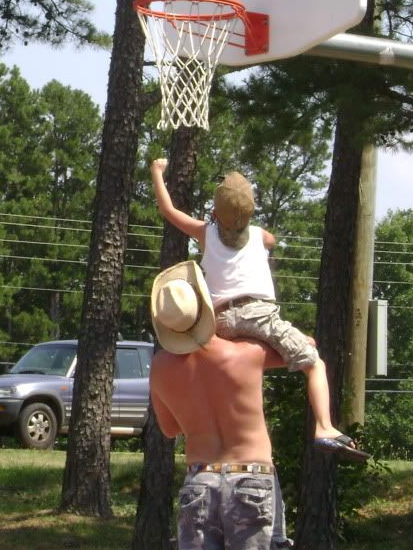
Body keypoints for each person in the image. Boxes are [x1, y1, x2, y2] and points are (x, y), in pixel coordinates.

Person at [150, 158, 369, 462]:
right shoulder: (258, 235)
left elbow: (169, 210)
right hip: (260, 315)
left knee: (227, 365)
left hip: (220, 320)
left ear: (215, 213)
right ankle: (324, 426)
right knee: (314, 362)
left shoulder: (205, 233)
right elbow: (271, 240)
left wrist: (157, 173)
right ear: (250, 212)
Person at [149, 260, 286, 549]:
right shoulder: (248, 353)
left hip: (201, 477)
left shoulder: (160, 367)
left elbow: (170, 428)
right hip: (251, 476)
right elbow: (306, 348)